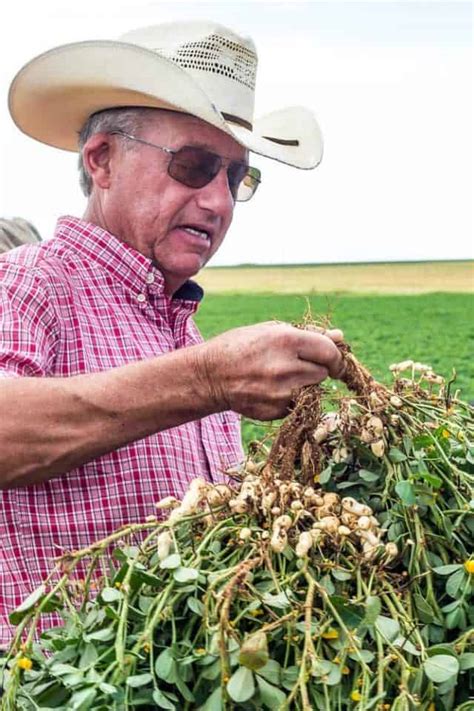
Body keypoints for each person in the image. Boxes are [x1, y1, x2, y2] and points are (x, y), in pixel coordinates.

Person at [0, 20, 344, 645]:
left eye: (236, 177)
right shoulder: (25, 284)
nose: (218, 202)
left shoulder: (187, 340)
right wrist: (210, 379)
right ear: (102, 160)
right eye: (194, 165)